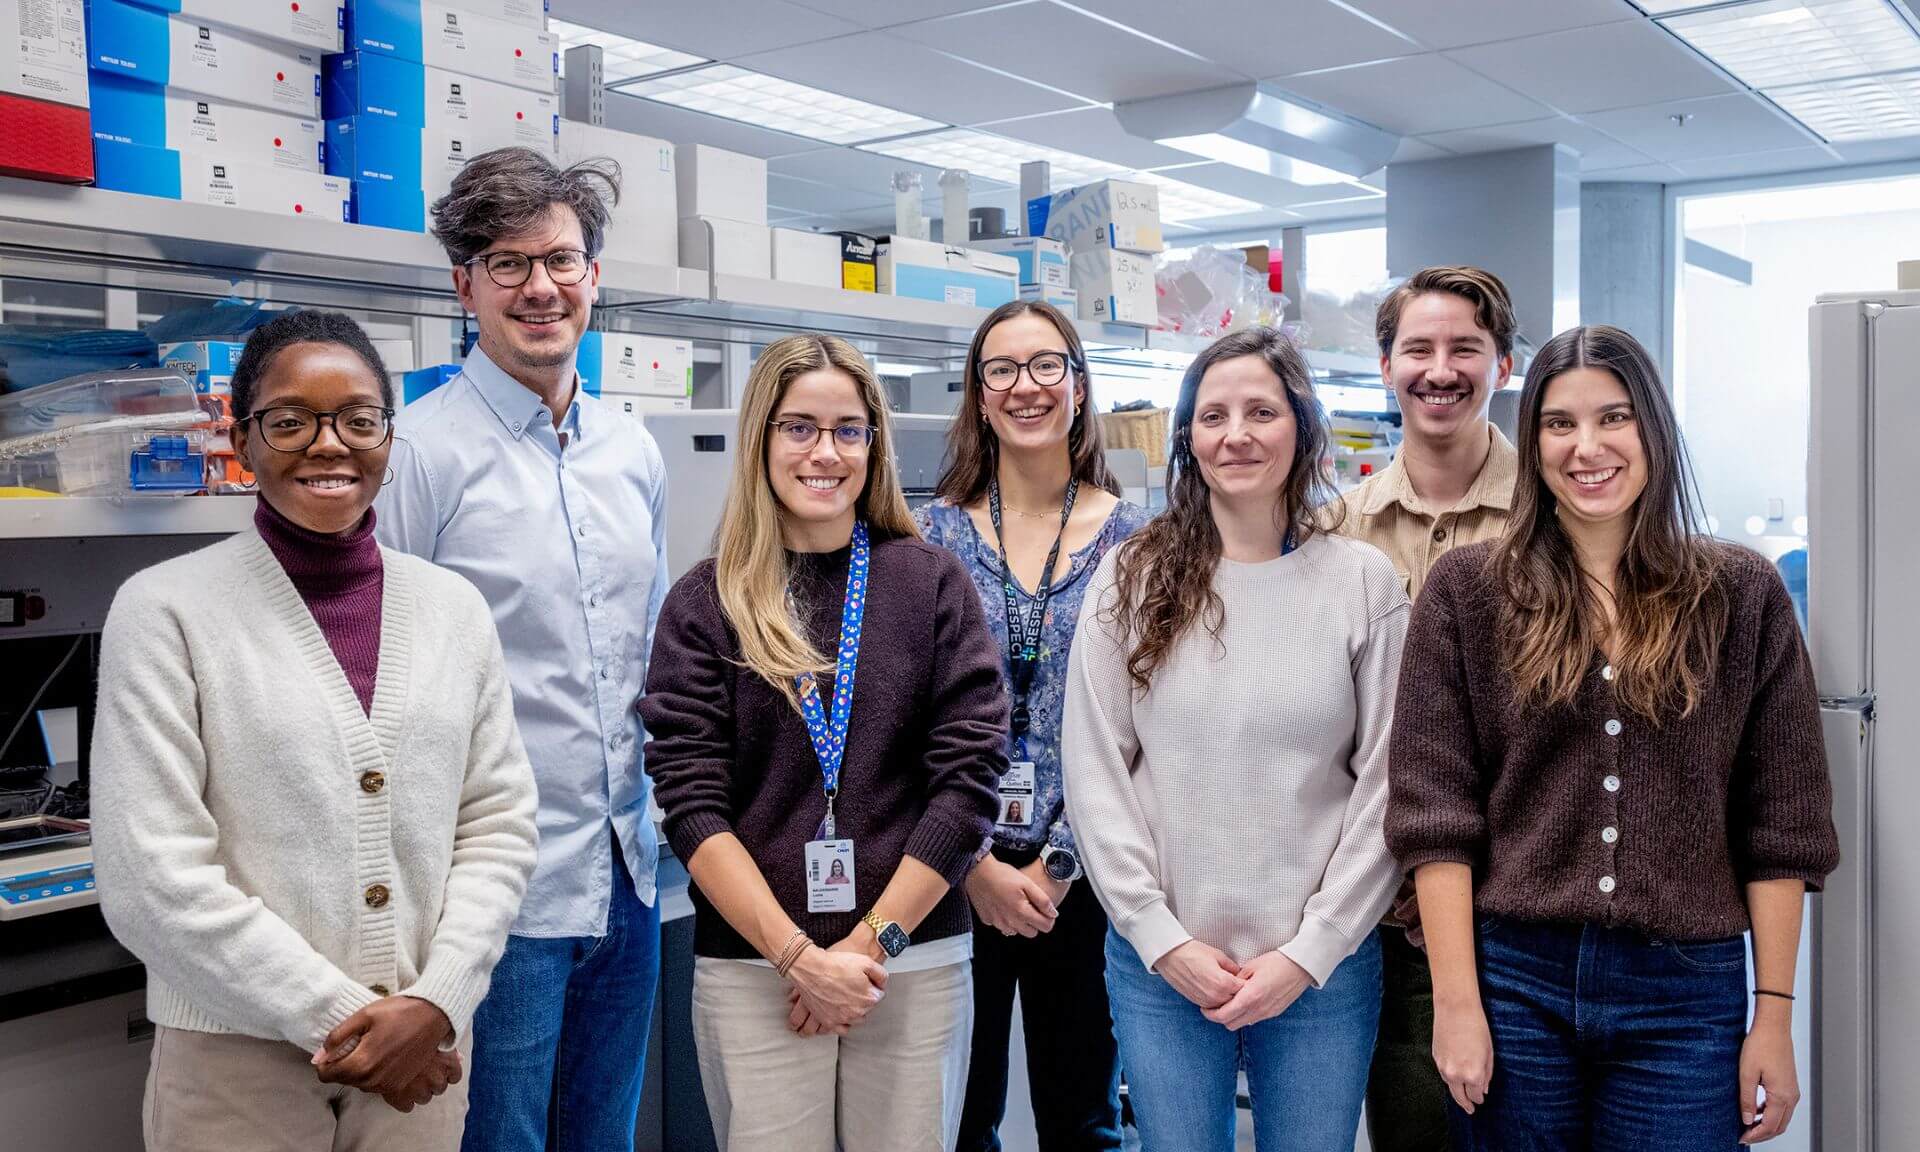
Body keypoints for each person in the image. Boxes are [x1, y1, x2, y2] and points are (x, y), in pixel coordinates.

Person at [91, 309, 539, 1152]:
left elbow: (498, 826)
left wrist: (438, 998)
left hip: (423, 1051)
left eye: (358, 420)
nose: (329, 445)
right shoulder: (164, 611)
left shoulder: (454, 609)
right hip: (237, 1061)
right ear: (242, 439)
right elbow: (152, 879)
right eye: (291, 421)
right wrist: (350, 1021)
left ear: (388, 437)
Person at [1386, 324, 1840, 1149]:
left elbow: (1782, 826)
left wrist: (1773, 1016)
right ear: (1534, 444)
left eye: (1614, 418)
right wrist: (1456, 1003)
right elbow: (1435, 817)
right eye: (1559, 423)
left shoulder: (1741, 594)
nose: (1586, 447)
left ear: (1653, 429)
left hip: (1687, 993)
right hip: (1513, 981)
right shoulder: (1467, 593)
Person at [639, 334, 1007, 1152]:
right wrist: (799, 958)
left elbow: (968, 782)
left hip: (910, 961)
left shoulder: (931, 584)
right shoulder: (706, 604)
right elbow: (692, 804)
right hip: (756, 970)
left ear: (874, 444)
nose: (825, 452)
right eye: (799, 427)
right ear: (761, 439)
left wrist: (867, 947)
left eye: (848, 430)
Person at [373, 147, 669, 1152]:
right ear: (465, 286)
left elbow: (645, 661)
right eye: (508, 263)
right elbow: (382, 682)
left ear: (594, 276)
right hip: (496, 898)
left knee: (603, 1138)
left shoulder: (632, 451)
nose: (540, 287)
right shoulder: (418, 453)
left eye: (560, 260)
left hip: (628, 876)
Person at [1062, 326, 1407, 1152]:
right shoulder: (1132, 575)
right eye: (1213, 416)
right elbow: (1095, 768)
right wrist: (1160, 937)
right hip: (1163, 966)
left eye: (1262, 411)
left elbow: (1388, 783)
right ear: (1187, 436)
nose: (1237, 434)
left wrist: (1312, 949)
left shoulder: (1362, 582)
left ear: (1303, 425)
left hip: (1321, 971)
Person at [917, 299, 1150, 1152]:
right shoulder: (929, 539)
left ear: (1079, 387)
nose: (1027, 386)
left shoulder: (1138, 543)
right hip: (948, 873)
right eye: (1003, 369)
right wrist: (973, 865)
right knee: (955, 1118)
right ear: (979, 396)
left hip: (1086, 879)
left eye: (1047, 365)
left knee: (1086, 1121)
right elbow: (909, 717)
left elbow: (1144, 727)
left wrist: (1059, 866)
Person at [1335, 265, 1519, 1152]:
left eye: (1465, 349)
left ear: (1504, 365)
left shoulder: (1556, 518)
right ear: (1385, 366)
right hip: (1385, 915)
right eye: (1418, 349)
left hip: (1525, 908)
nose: (1439, 370)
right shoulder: (1336, 530)